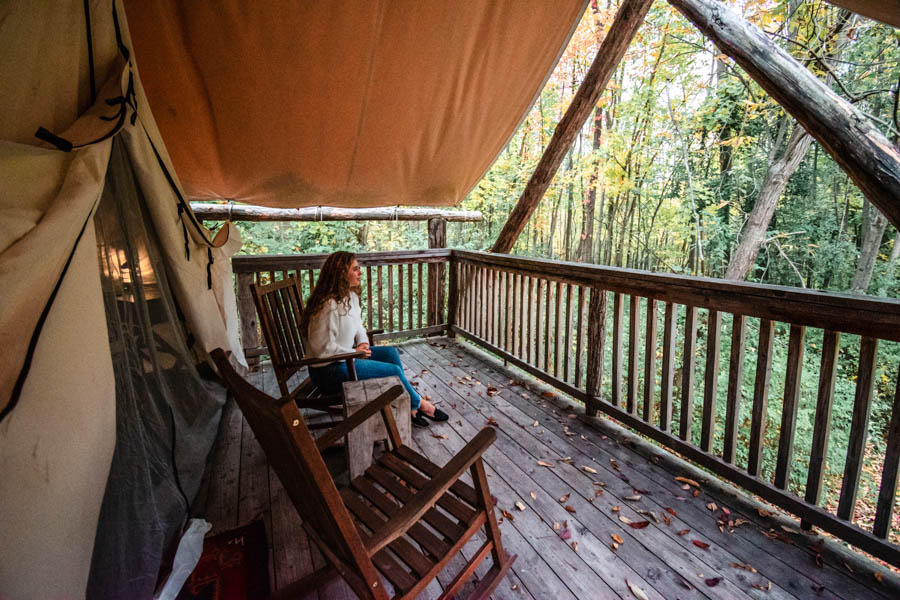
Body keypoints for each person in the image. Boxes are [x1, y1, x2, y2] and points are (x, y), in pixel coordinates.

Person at [300, 251, 449, 427]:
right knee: (392, 371)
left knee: (389, 353)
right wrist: (354, 352)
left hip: (345, 360)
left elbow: (359, 326)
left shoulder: (350, 297)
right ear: (341, 273)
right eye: (355, 269)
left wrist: (363, 342)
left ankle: (409, 404)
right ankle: (420, 405)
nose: (360, 272)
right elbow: (321, 350)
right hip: (327, 372)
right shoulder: (327, 305)